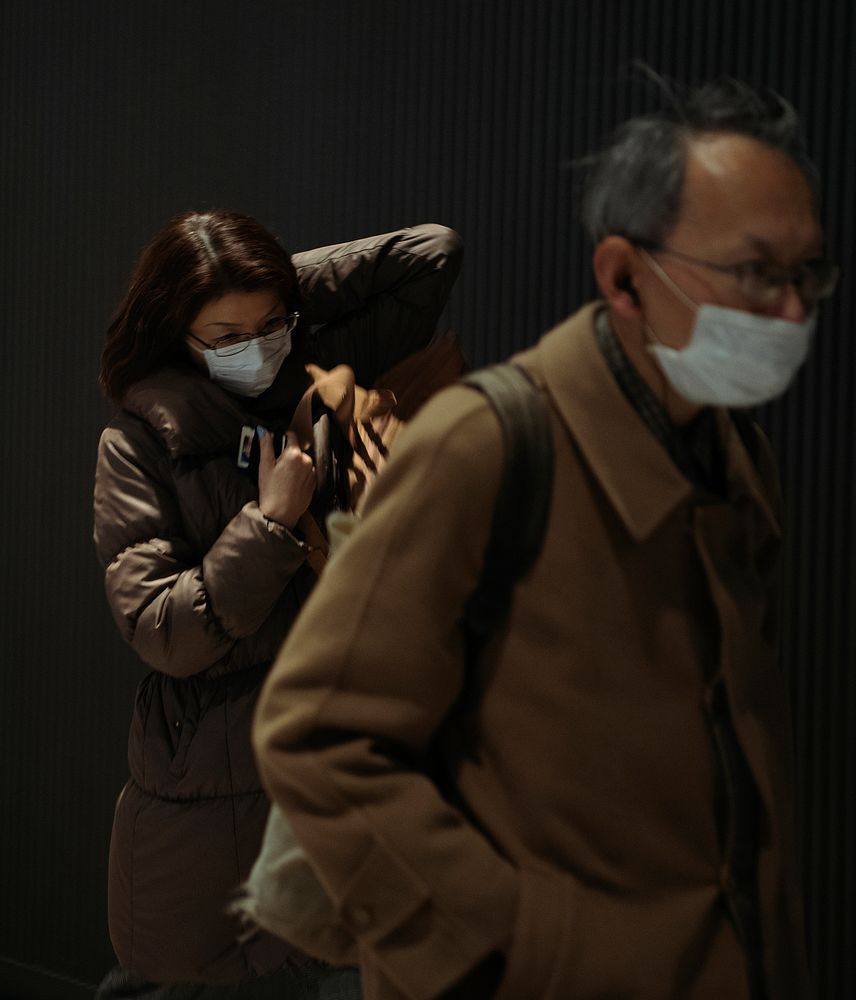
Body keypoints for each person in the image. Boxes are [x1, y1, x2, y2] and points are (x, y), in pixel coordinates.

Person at [253, 78, 837, 999]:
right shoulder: (483, 446)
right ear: (623, 275)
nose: (795, 314)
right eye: (757, 274)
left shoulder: (738, 459)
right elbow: (315, 738)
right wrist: (516, 948)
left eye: (808, 275)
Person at [93, 209, 463, 998]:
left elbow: (430, 257)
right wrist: (269, 522)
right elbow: (162, 631)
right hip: (212, 785)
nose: (255, 348)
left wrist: (264, 284)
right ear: (174, 330)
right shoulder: (136, 443)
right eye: (226, 335)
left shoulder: (308, 371)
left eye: (270, 326)